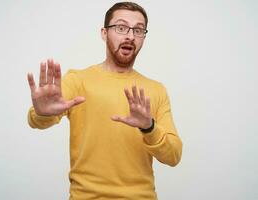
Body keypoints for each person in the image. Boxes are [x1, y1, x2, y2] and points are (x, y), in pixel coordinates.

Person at [27, 2, 182, 199]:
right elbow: (36, 119)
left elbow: (173, 156)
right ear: (104, 33)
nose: (130, 36)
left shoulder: (156, 90)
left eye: (139, 30)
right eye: (121, 27)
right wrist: (42, 112)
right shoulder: (77, 80)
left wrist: (149, 127)